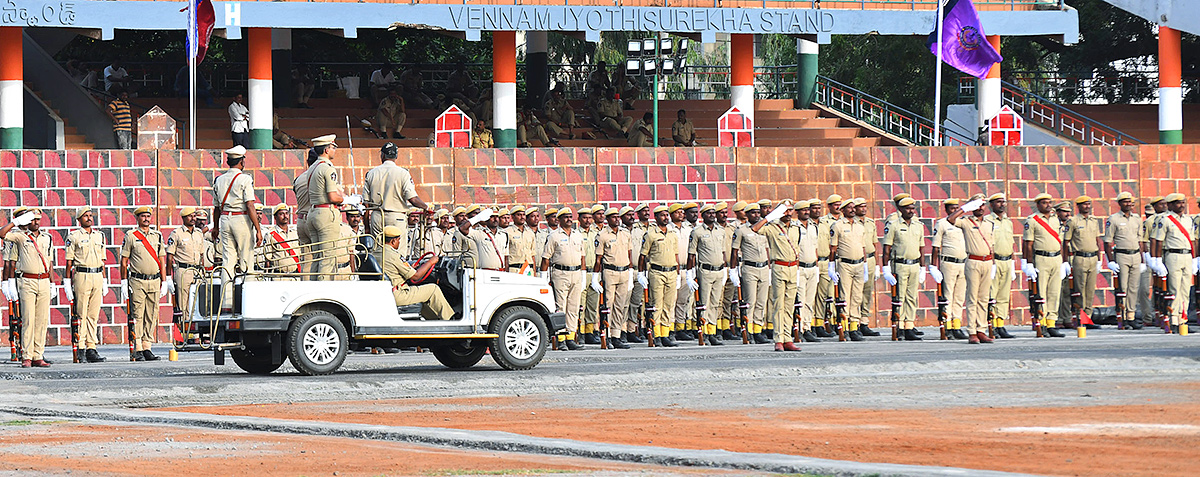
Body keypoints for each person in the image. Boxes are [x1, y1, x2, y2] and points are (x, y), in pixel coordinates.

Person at [2, 209, 54, 367]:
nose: (36, 222)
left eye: (38, 219)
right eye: (32, 220)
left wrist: (53, 283)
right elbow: (2, 233)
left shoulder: (47, 238)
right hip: (27, 281)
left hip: (44, 281)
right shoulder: (20, 237)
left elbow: (49, 262)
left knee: (42, 320)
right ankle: (27, 355)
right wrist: (16, 222)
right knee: (29, 319)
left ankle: (38, 355)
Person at [212, 145, 263, 298]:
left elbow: (216, 208)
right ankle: (250, 298)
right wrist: (258, 229)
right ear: (242, 161)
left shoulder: (219, 180)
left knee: (228, 260)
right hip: (241, 219)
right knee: (247, 258)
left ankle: (226, 301)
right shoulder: (245, 179)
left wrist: (215, 227)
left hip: (225, 219)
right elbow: (250, 205)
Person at [121, 206, 170, 361]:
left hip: (154, 280)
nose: (146, 219)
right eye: (143, 216)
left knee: (152, 314)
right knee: (138, 314)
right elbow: (123, 261)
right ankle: (138, 348)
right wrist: (123, 282)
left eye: (148, 216)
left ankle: (147, 346)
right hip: (137, 280)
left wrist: (164, 281)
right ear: (138, 218)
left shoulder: (157, 236)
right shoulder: (131, 236)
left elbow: (162, 259)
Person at [363, 142, 429, 256]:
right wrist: (425, 206)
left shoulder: (371, 173)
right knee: (398, 253)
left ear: (382, 155)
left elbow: (366, 204)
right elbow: (412, 199)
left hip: (377, 216)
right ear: (396, 156)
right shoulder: (403, 173)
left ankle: (381, 274)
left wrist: (367, 227)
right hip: (396, 216)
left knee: (379, 253)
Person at [945, 194, 994, 344]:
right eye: (977, 205)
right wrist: (965, 208)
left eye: (982, 205)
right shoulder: (966, 222)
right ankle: (972, 331)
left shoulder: (989, 223)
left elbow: (992, 243)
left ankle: (981, 330)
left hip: (987, 261)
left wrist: (994, 262)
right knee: (972, 298)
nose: (980, 208)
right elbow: (950, 219)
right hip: (973, 261)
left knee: (984, 298)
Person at [751, 202, 801, 351]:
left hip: (793, 267)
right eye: (784, 211)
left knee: (789, 305)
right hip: (779, 267)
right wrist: (769, 217)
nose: (788, 213)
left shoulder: (796, 228)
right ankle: (779, 339)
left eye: (790, 210)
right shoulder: (773, 227)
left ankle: (788, 338)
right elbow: (755, 228)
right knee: (778, 305)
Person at [299, 135, 347, 280]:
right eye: (333, 147)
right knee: (328, 258)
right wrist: (347, 199)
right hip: (326, 213)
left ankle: (314, 292)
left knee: (317, 258)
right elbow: (333, 196)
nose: (334, 150)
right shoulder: (327, 168)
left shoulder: (313, 167)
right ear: (326, 149)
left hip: (313, 212)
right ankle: (323, 296)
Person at [64, 206, 109, 362]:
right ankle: (81, 347)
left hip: (97, 275)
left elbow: (103, 261)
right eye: (85, 216)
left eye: (91, 215)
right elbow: (69, 262)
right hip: (82, 275)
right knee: (81, 314)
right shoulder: (74, 236)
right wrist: (66, 281)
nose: (89, 218)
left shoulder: (99, 236)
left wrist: (104, 280)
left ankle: (91, 347)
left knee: (93, 315)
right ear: (79, 219)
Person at [381, 226, 454, 320]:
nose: (399, 242)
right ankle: (451, 320)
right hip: (398, 294)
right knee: (433, 289)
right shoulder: (394, 255)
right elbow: (416, 276)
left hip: (387, 292)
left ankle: (434, 322)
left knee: (424, 296)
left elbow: (394, 270)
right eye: (398, 240)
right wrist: (431, 262)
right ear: (393, 241)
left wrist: (411, 268)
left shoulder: (377, 252)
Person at [1148, 193, 1195, 333]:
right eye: (1177, 203)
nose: (1181, 205)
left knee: (1186, 289)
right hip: (1172, 255)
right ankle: (1173, 319)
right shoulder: (1165, 219)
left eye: (1183, 202)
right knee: (1174, 288)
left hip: (1186, 255)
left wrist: (1194, 258)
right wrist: (1156, 260)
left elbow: (1192, 241)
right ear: (1170, 205)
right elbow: (1157, 240)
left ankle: (1183, 320)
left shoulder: (1188, 220)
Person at [881, 197, 926, 341]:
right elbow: (887, 248)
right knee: (899, 297)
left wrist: (923, 267)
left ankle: (909, 326)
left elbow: (922, 247)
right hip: (899, 264)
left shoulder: (918, 225)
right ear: (900, 210)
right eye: (908, 208)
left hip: (914, 264)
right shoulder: (893, 225)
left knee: (912, 297)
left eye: (913, 208)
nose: (911, 211)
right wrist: (885, 268)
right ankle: (899, 326)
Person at [1022, 193, 1067, 337]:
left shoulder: (1056, 220)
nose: (1048, 205)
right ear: (1038, 204)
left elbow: (1061, 241)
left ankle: (1052, 322)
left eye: (1050, 202)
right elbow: (1028, 244)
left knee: (1055, 292)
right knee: (1041, 292)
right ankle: (1041, 323)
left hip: (1056, 258)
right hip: (1041, 258)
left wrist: (1064, 261)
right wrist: (1028, 263)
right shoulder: (1033, 220)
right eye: (1044, 203)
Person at [541, 208, 586, 349]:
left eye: (570, 217)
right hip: (560, 273)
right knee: (560, 306)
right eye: (565, 217)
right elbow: (546, 258)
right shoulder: (554, 236)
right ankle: (560, 338)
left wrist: (583, 275)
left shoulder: (578, 235)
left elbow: (582, 257)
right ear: (559, 220)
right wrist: (544, 277)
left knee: (573, 307)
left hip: (576, 273)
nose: (568, 219)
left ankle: (571, 337)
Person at [638, 205, 680, 347]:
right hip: (657, 272)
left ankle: (665, 334)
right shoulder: (650, 234)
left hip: (671, 272)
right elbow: (643, 256)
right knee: (657, 304)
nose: (666, 218)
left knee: (669, 305)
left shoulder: (673, 234)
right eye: (662, 215)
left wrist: (678, 273)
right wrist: (641, 274)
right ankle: (656, 334)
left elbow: (676, 255)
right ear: (656, 217)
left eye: (667, 215)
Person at [685, 204, 727, 345]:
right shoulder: (697, 232)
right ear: (703, 216)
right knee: (704, 303)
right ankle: (702, 330)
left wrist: (726, 269)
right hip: (705, 271)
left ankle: (712, 331)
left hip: (719, 270)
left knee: (715, 303)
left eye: (713, 213)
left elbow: (723, 252)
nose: (712, 215)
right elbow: (691, 254)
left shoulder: (721, 231)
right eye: (708, 213)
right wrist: (689, 275)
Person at [1103, 192, 1145, 330]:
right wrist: (1110, 261)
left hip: (1135, 255)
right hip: (1121, 255)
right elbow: (1108, 242)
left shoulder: (1137, 219)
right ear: (1120, 203)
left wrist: (1143, 259)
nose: (1129, 204)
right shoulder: (1114, 219)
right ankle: (1122, 316)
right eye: (1125, 202)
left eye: (1131, 202)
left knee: (1133, 288)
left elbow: (1140, 240)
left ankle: (1131, 316)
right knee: (1122, 287)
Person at [593, 207, 633, 349]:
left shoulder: (625, 233)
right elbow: (598, 258)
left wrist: (631, 271)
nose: (616, 219)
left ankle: (616, 335)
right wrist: (595, 276)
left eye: (618, 217)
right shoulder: (602, 235)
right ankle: (607, 334)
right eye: (613, 217)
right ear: (608, 219)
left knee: (620, 305)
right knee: (608, 305)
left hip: (624, 272)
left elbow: (629, 254)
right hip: (610, 272)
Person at [731, 203, 770, 343]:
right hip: (750, 268)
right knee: (750, 301)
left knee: (761, 302)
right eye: (753, 213)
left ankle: (758, 330)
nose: (756, 215)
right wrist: (733, 270)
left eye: (758, 212)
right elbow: (734, 251)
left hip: (764, 268)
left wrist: (769, 268)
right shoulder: (741, 230)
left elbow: (767, 250)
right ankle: (747, 330)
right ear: (747, 215)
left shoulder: (764, 229)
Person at [830, 199, 868, 341]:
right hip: (844, 264)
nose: (852, 210)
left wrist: (865, 264)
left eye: (853, 208)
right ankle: (844, 328)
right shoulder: (838, 225)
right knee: (844, 295)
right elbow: (833, 248)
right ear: (843, 210)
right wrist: (831, 266)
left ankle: (854, 327)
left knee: (857, 297)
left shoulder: (860, 226)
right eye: (849, 208)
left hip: (858, 264)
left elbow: (863, 247)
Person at [931, 198, 969, 339]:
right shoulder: (942, 223)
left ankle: (957, 325)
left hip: (963, 263)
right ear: (946, 210)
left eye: (956, 208)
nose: (955, 211)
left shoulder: (963, 223)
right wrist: (933, 266)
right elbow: (936, 246)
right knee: (947, 296)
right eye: (952, 208)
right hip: (948, 263)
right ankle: (947, 326)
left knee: (959, 297)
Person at [1064, 195, 1104, 327]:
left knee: (1090, 290)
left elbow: (1097, 241)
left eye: (1088, 204)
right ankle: (1080, 317)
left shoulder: (1094, 220)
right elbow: (1066, 242)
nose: (1087, 206)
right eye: (1084, 204)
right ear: (1078, 206)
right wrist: (1065, 261)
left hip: (1093, 257)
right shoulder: (1073, 221)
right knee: (1079, 290)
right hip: (1080, 257)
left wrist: (1099, 259)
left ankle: (1088, 317)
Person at [165, 207, 206, 335]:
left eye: (194, 216)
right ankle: (185, 333)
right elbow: (170, 257)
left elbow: (202, 255)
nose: (193, 218)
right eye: (190, 216)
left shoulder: (198, 233)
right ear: (183, 218)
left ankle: (197, 332)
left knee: (197, 303)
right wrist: (168, 278)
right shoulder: (177, 233)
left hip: (197, 270)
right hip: (183, 270)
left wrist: (203, 271)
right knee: (183, 304)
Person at [984, 193, 1017, 338]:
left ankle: (1000, 324)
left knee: (1004, 295)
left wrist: (1013, 262)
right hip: (994, 261)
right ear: (991, 205)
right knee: (992, 294)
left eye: (1003, 202)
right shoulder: (987, 221)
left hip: (1007, 260)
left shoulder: (1007, 221)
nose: (1002, 204)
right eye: (998, 202)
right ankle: (991, 325)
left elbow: (1011, 242)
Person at [813, 195, 842, 339]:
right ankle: (810, 324)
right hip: (813, 262)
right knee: (811, 295)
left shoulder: (825, 225)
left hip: (827, 262)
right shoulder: (821, 222)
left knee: (823, 295)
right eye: (814, 208)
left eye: (819, 208)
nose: (817, 211)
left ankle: (819, 323)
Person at [794, 200, 821, 342]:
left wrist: (816, 266)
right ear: (797, 212)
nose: (806, 212)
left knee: (810, 300)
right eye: (803, 210)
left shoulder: (813, 227)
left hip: (812, 266)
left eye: (807, 210)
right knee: (801, 300)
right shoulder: (794, 227)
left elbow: (815, 248)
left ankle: (807, 326)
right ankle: (800, 329)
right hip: (801, 268)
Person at [856, 198, 882, 337]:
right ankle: (854, 322)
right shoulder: (852, 223)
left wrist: (877, 265)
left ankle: (864, 322)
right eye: (860, 207)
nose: (864, 209)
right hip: (857, 260)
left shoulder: (870, 223)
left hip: (870, 259)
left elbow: (875, 244)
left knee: (867, 292)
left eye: (865, 206)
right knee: (856, 293)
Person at [262, 204, 302, 278]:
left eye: (287, 213)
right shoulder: (270, 234)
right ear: (275, 217)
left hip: (295, 275)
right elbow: (268, 259)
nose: (285, 216)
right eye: (281, 214)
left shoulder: (295, 233)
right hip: (279, 276)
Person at [503, 206, 537, 274]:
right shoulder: (507, 232)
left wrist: (534, 272)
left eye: (523, 215)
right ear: (512, 217)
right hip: (515, 269)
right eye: (519, 215)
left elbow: (532, 254)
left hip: (529, 269)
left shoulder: (530, 232)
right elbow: (505, 255)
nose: (522, 217)